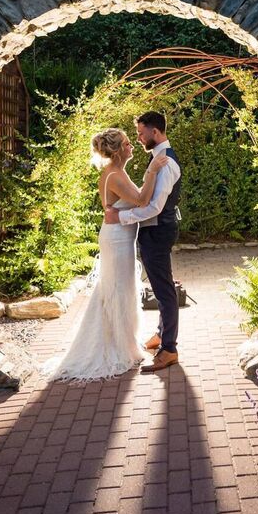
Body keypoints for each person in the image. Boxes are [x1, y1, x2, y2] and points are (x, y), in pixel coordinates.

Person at [44, 128, 167, 381]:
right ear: (119, 149)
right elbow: (143, 200)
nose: (132, 145)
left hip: (119, 237)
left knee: (119, 289)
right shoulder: (115, 175)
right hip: (117, 239)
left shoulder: (116, 172)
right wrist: (153, 171)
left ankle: (122, 344)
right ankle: (115, 348)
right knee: (117, 290)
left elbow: (137, 199)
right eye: (127, 143)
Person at [104, 111, 182, 373]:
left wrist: (122, 216)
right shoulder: (157, 159)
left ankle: (169, 349)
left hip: (158, 229)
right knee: (161, 286)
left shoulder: (166, 163)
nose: (138, 138)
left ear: (155, 132)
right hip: (153, 230)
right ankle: (161, 334)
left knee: (164, 290)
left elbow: (155, 207)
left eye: (140, 133)